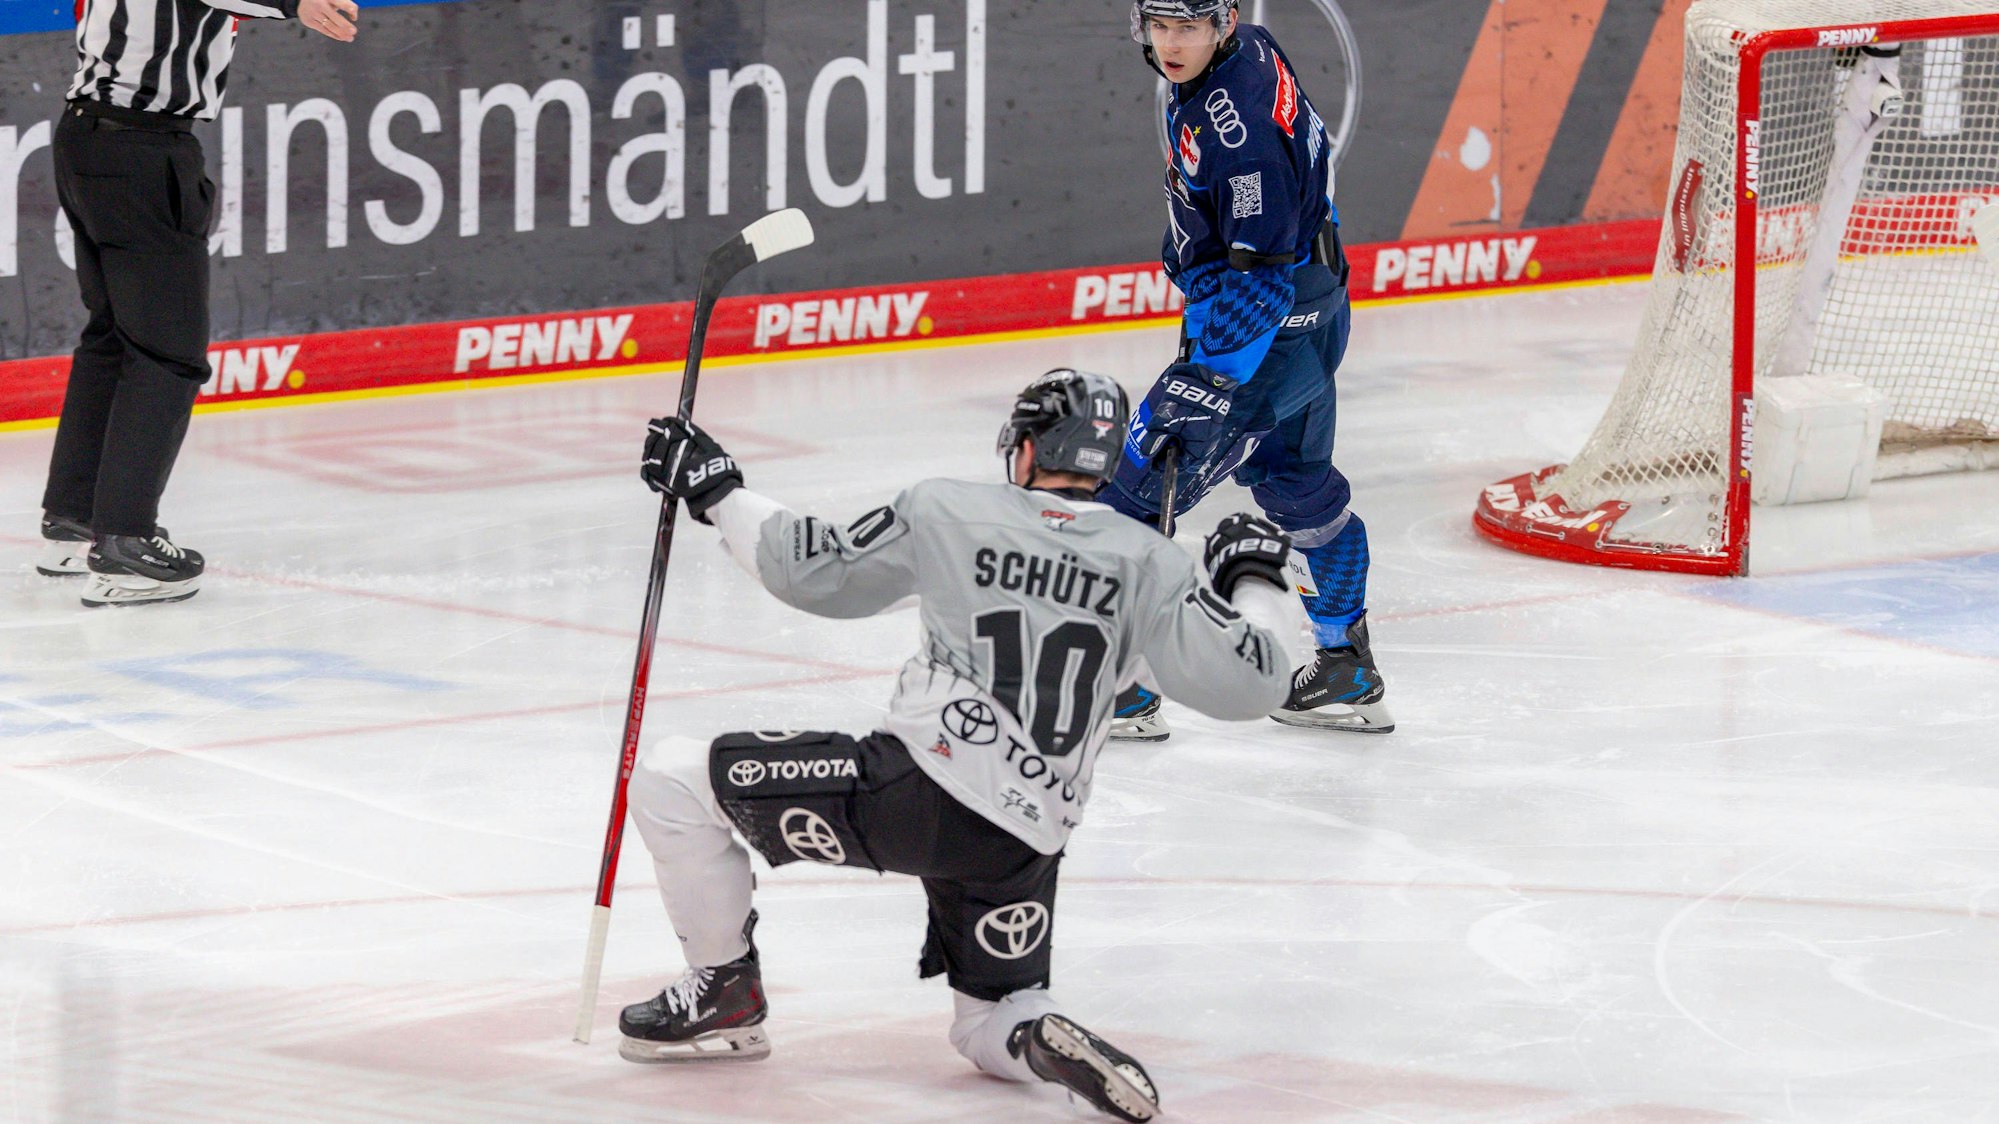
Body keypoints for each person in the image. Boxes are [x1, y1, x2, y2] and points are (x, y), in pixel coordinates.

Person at [619, 369, 1298, 1122]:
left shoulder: (949, 509)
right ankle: (1031, 1035)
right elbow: (1253, 685)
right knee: (985, 1020)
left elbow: (813, 572)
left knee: (672, 779)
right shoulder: (1151, 563)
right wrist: (1254, 576)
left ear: (1027, 446)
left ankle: (723, 993)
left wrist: (716, 489)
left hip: (913, 789)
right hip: (1024, 839)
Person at [1105, 0, 1393, 739]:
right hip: (1315, 309)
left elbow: (1258, 277)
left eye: (1187, 27)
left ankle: (1122, 692)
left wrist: (1205, 380)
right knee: (1298, 486)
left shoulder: (1243, 136)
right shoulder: (1250, 47)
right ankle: (1344, 668)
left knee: (1129, 496)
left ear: (1223, 21)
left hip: (1261, 327)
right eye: (1158, 26)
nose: (1171, 44)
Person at [35, 0, 359, 606]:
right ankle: (124, 542)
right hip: (141, 148)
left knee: (113, 337)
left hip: (87, 136)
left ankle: (76, 516)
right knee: (167, 353)